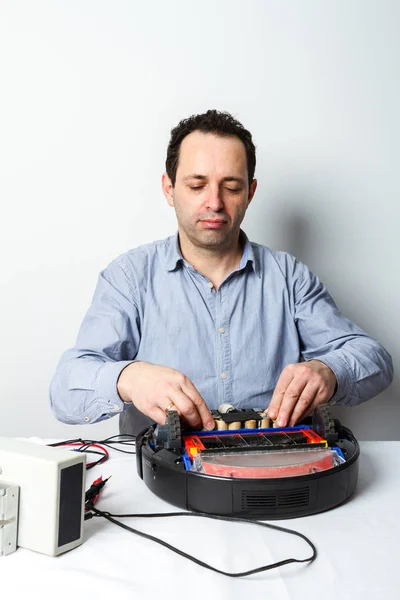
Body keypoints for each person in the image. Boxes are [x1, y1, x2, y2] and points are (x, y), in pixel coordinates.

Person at [50, 110, 393, 436]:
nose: (214, 202)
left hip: (272, 467)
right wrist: (129, 377)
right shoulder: (129, 277)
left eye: (231, 187)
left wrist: (329, 371)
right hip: (160, 474)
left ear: (250, 192)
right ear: (169, 189)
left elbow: (374, 358)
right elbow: (65, 390)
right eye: (197, 186)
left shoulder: (290, 277)